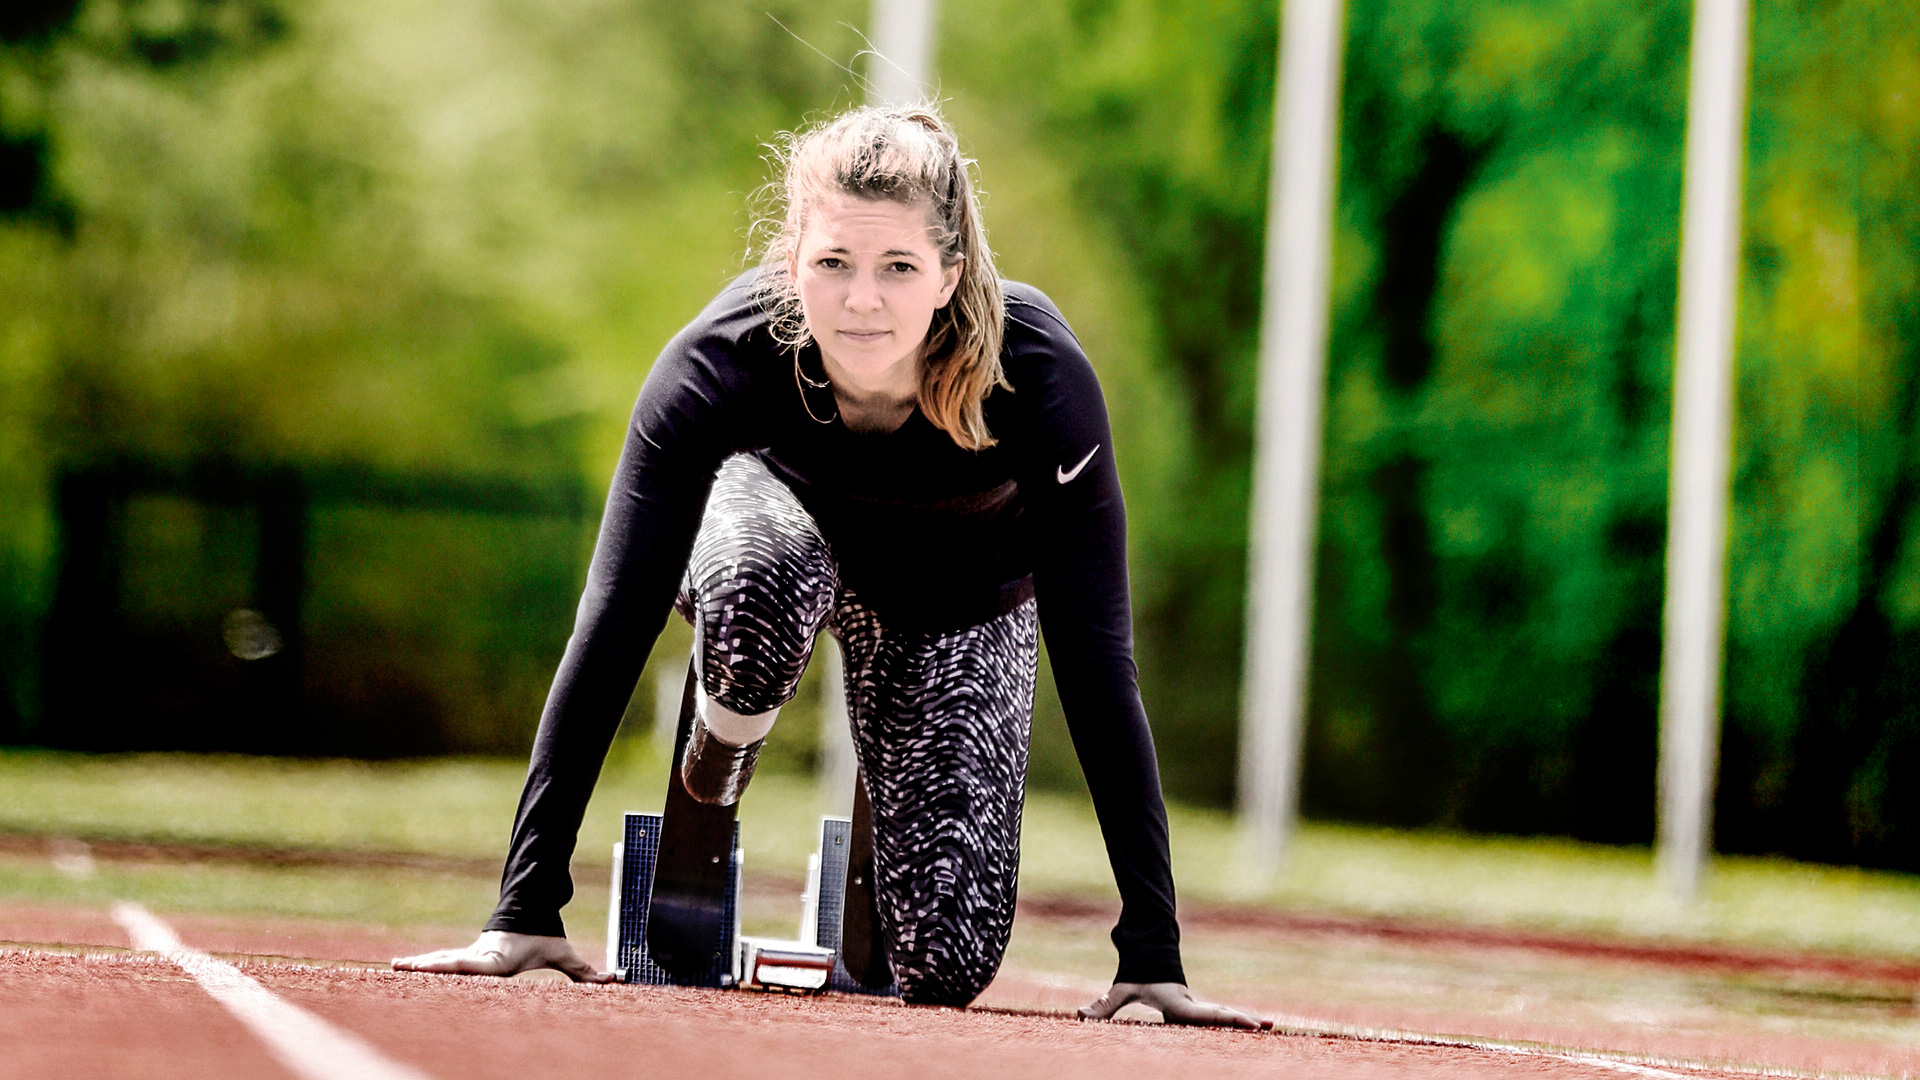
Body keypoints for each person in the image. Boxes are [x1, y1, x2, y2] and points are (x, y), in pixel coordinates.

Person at [394, 103, 1267, 1029]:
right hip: (778, 546)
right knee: (761, 576)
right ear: (792, 264)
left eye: (899, 268)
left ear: (950, 275)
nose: (862, 300)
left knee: (946, 965)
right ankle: (721, 748)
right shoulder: (724, 358)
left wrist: (1152, 949)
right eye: (834, 264)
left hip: (955, 604)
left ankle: (891, 794)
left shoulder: (1037, 372)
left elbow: (1096, 658)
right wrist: (525, 905)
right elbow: (615, 613)